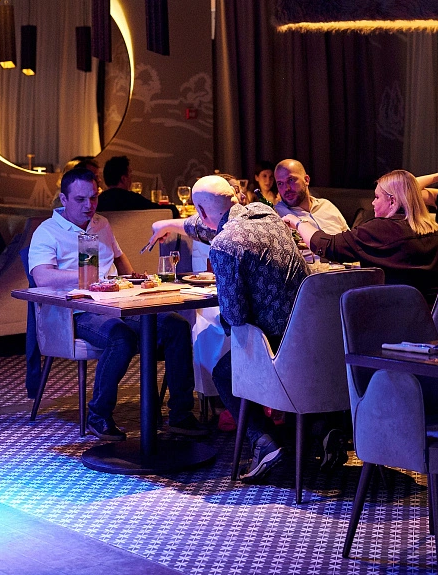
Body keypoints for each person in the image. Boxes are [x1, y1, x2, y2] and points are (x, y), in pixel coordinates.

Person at [28, 166, 205, 441]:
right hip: (76, 312)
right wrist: (87, 276)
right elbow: (41, 277)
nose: (89, 205)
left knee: (175, 325)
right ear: (63, 199)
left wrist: (134, 279)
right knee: (120, 337)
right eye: (80, 199)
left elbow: (120, 260)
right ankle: (98, 415)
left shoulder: (101, 224)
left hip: (117, 303)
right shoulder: (47, 231)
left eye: (93, 198)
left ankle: (180, 414)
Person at [187, 175, 310, 481]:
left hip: (276, 347)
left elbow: (235, 317)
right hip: (310, 337)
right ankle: (318, 433)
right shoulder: (268, 214)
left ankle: (265, 443)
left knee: (223, 371)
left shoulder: (225, 244)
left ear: (201, 211)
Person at [290, 170, 438, 305]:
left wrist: (297, 222)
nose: (373, 203)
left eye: (377, 197)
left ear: (392, 201)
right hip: (437, 324)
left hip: (394, 322)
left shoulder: (381, 230)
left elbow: (327, 246)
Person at [274, 159, 348, 236]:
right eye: (280, 183)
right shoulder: (277, 215)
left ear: (306, 180)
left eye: (291, 180)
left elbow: (349, 240)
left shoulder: (326, 205)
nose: (286, 188)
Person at [97, 155, 178, 214]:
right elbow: (169, 211)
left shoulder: (98, 201)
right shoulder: (132, 199)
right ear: (123, 179)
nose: (131, 180)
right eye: (130, 176)